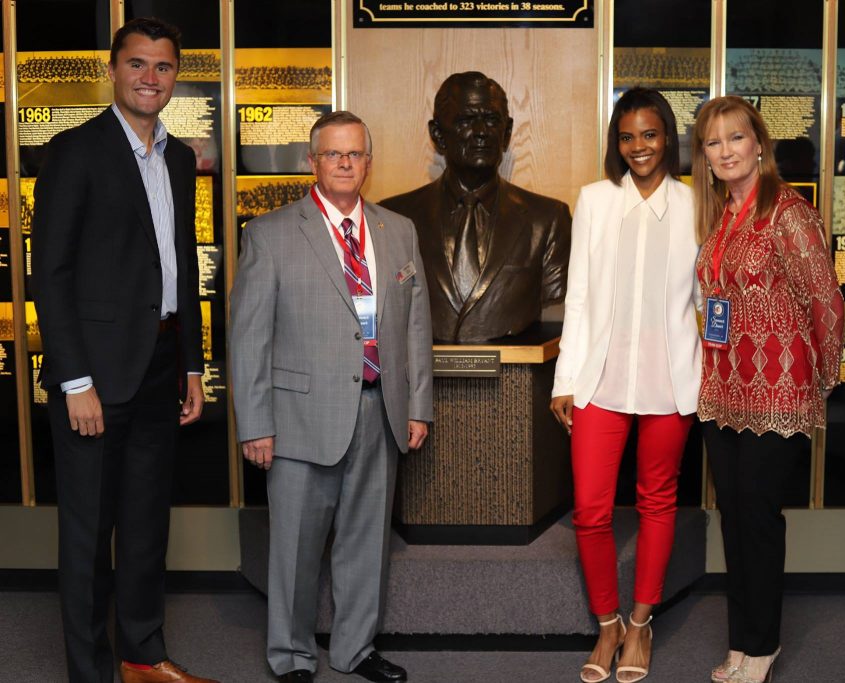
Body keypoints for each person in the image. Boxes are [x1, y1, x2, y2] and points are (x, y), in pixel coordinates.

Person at [32, 18, 216, 683]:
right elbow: (50, 273)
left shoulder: (177, 157)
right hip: (94, 374)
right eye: (137, 64)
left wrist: (191, 363)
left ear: (175, 77)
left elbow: (181, 263)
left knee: (144, 525)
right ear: (112, 70)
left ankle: (142, 656)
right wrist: (74, 379)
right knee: (88, 534)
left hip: (161, 364)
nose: (149, 78)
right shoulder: (74, 150)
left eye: (163, 67)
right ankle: (91, 674)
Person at [230, 111, 433, 683]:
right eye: (333, 154)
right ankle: (292, 655)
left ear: (368, 162)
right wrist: (256, 424)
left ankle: (354, 649)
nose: (345, 163)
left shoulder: (398, 230)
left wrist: (418, 405)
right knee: (296, 547)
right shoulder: (269, 233)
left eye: (355, 154)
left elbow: (416, 324)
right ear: (312, 162)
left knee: (367, 544)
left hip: (380, 410)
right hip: (300, 418)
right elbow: (248, 337)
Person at [550, 88, 702, 683]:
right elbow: (578, 295)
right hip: (600, 379)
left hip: (671, 380)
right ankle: (607, 623)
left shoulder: (696, 204)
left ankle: (640, 624)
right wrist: (565, 379)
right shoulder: (594, 200)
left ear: (668, 137)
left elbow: (707, 298)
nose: (639, 147)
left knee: (656, 500)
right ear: (617, 143)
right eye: (627, 136)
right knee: (591, 510)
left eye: (650, 134)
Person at [691, 96, 845, 683]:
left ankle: (763, 645)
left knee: (757, 518)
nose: (726, 150)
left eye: (736, 137)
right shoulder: (721, 216)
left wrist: (820, 381)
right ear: (704, 156)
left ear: (759, 144)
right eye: (713, 142)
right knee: (733, 518)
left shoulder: (788, 212)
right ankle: (740, 641)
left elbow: (825, 299)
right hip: (724, 391)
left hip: (779, 393)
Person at [380, 71, 571, 342]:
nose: (481, 132)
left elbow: (555, 300)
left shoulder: (548, 220)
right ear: (438, 134)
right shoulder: (394, 217)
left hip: (515, 366)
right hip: (424, 368)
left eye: (492, 120)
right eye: (466, 120)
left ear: (506, 133)